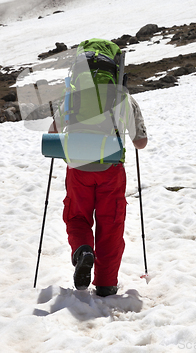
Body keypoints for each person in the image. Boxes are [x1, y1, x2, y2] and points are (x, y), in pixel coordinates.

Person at [49, 81, 147, 297]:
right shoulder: (125, 98)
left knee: (77, 216)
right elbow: (140, 142)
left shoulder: (73, 96)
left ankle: (83, 249)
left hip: (78, 167)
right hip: (110, 169)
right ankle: (106, 284)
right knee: (110, 223)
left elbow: (52, 132)